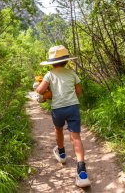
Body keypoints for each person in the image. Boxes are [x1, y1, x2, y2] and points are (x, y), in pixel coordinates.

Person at [35, 45, 91, 188]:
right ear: (66, 61)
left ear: (51, 63)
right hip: (73, 107)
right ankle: (82, 172)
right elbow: (78, 91)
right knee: (76, 137)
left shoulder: (49, 74)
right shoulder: (72, 73)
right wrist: (71, 98)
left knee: (58, 129)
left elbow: (40, 91)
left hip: (58, 109)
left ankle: (61, 154)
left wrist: (41, 87)